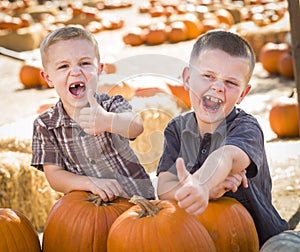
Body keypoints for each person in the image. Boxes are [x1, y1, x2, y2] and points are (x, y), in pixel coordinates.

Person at [156, 30, 289, 247]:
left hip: (259, 239)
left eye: (230, 82)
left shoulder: (246, 127)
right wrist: (199, 191)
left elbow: (226, 156)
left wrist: (202, 184)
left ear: (243, 94)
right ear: (187, 78)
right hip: (197, 240)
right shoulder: (176, 130)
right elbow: (163, 187)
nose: (218, 86)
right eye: (208, 76)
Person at [31, 26, 155, 202]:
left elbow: (136, 127)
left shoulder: (111, 104)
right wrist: (90, 183)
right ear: (48, 78)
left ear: (99, 69)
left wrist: (108, 121)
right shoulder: (45, 125)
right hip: (89, 209)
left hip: (136, 201)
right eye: (63, 66)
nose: (75, 71)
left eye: (85, 63)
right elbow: (55, 177)